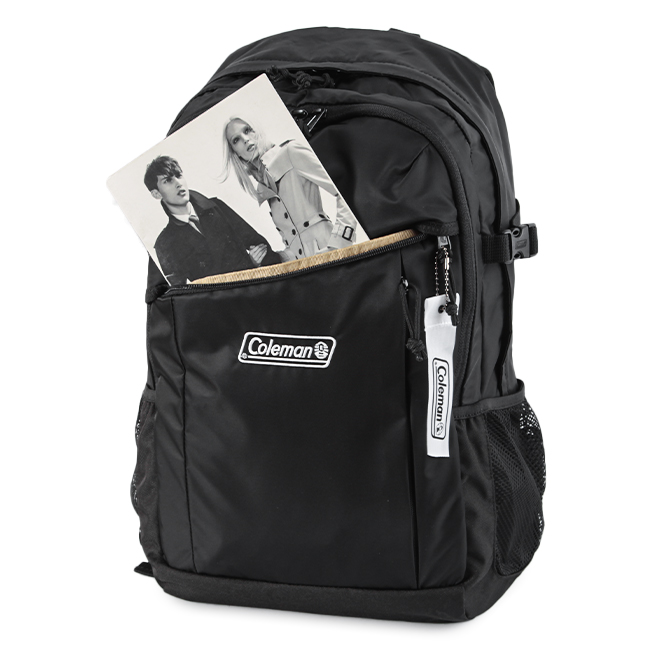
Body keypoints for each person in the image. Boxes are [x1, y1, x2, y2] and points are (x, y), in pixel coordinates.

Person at [222, 118, 358, 260]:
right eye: (236, 140)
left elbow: (346, 189)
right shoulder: (263, 186)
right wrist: (271, 257)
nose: (245, 139)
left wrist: (339, 244)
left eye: (247, 130)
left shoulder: (290, 152)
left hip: (334, 256)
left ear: (257, 130)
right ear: (236, 153)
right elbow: (294, 246)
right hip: (306, 268)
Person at [144, 155, 280, 284]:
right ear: (156, 194)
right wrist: (246, 266)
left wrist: (253, 267)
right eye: (168, 180)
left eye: (179, 175)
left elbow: (259, 245)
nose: (178, 183)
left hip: (254, 288)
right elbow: (183, 294)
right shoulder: (164, 244)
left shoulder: (216, 207)